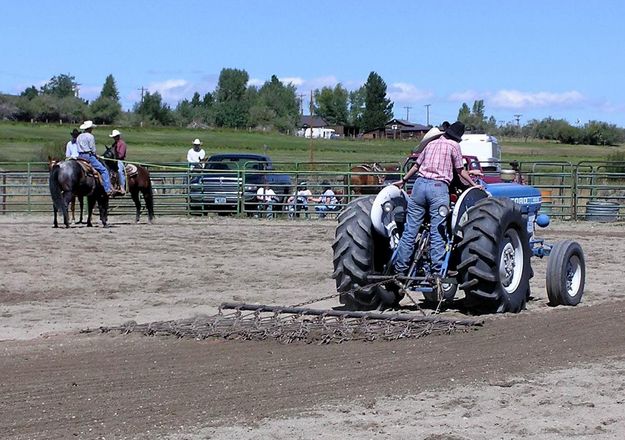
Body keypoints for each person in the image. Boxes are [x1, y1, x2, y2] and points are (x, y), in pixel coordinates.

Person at [393, 121, 482, 279]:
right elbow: (460, 171)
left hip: (419, 186)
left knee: (410, 230)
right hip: (438, 188)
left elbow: (416, 166)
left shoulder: (431, 143)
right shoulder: (454, 146)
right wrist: (475, 184)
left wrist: (404, 180)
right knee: (437, 231)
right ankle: (437, 271)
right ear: (457, 137)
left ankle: (400, 269)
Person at [76, 120, 113, 195]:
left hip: (79, 156)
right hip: (88, 156)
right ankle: (107, 189)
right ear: (90, 128)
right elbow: (92, 149)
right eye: (91, 128)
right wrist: (96, 155)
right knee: (104, 170)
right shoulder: (90, 136)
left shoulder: (79, 136)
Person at [108, 129, 127, 195]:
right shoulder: (114, 144)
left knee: (119, 171)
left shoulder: (122, 144)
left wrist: (114, 157)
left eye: (115, 136)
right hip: (114, 160)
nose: (114, 138)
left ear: (118, 136)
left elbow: (121, 155)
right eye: (114, 137)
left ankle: (122, 187)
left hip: (119, 160)